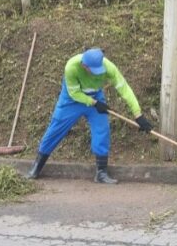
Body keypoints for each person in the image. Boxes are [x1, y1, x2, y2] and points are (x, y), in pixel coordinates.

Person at [26, 48, 153, 184]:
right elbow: (74, 93)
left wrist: (138, 114)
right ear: (84, 65)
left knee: (102, 129)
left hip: (95, 97)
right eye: (93, 70)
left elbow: (124, 88)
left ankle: (101, 173)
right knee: (56, 129)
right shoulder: (71, 67)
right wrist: (93, 102)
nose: (97, 73)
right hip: (71, 100)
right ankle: (36, 167)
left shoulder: (108, 67)